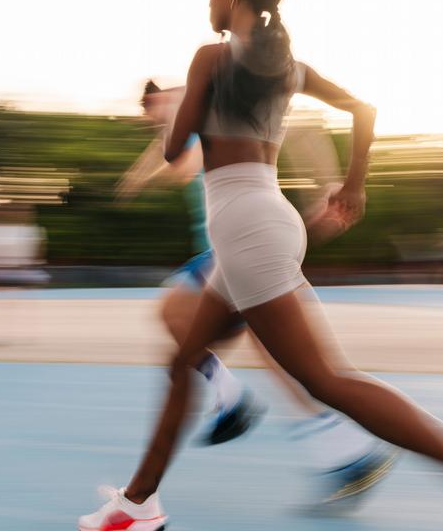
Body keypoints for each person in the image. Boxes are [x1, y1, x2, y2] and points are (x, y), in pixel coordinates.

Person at [79, 0, 443, 531]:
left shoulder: (210, 58)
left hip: (247, 228)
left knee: (325, 380)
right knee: (185, 361)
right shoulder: (288, 68)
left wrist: (170, 113)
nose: (207, 2)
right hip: (260, 223)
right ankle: (138, 504)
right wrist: (354, 187)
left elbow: (176, 151)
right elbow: (363, 109)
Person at [118, 81, 399, 508]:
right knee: (291, 366)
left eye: (151, 116)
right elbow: (302, 129)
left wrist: (329, 182)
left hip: (240, 245)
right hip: (247, 244)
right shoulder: (195, 110)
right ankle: (348, 452)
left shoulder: (197, 108)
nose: (153, 125)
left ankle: (232, 400)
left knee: (173, 312)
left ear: (160, 100)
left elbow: (183, 161)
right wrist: (138, 174)